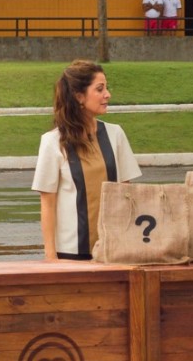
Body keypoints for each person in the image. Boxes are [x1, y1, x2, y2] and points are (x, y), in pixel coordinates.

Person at [35, 60, 143, 261]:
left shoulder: (116, 134)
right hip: (69, 255)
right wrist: (51, 258)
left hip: (113, 252)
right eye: (100, 89)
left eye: (106, 88)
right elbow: (47, 204)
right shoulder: (52, 142)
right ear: (79, 97)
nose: (107, 94)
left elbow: (126, 194)